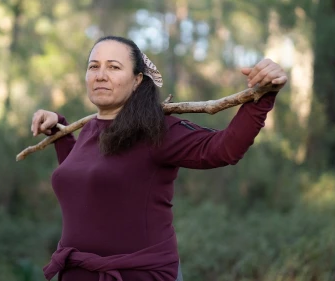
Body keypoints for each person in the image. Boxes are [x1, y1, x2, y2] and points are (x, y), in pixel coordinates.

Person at [30, 35, 287, 281]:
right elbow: (82, 182)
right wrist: (59, 131)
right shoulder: (87, 131)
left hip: (139, 275)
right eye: (93, 66)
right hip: (78, 275)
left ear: (137, 79)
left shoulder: (158, 130)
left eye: (114, 67)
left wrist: (263, 96)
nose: (100, 75)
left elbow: (223, 149)